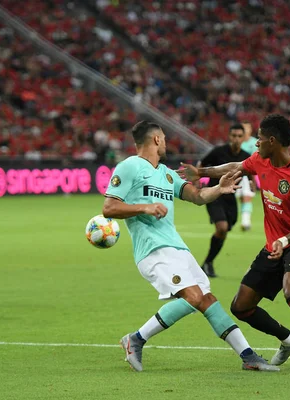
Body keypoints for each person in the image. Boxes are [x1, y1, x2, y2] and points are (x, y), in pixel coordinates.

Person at [102, 121, 278, 372]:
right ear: (155, 140)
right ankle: (136, 339)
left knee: (207, 299)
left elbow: (197, 197)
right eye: (163, 138)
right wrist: (145, 207)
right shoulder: (129, 166)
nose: (165, 142)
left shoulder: (166, 173)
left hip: (177, 248)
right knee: (193, 297)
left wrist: (219, 188)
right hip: (152, 249)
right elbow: (109, 207)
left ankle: (248, 356)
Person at [178, 114, 290, 375]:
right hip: (273, 246)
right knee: (241, 306)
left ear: (272, 140)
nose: (255, 143)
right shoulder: (261, 160)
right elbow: (235, 167)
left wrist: (284, 239)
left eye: (259, 138)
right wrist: (200, 172)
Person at [198, 123, 251, 278]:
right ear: (229, 136)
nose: (236, 139)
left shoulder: (246, 155)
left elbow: (250, 171)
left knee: (224, 231)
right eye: (233, 135)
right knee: (222, 227)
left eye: (239, 136)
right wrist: (197, 180)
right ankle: (208, 263)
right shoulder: (218, 152)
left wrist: (253, 182)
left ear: (243, 138)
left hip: (230, 198)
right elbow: (201, 164)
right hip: (214, 195)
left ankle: (207, 263)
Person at [238, 121, 258, 231]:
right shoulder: (237, 142)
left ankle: (246, 222)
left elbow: (255, 162)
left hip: (247, 174)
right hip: (235, 174)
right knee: (241, 198)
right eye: (243, 128)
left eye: (247, 128)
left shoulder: (254, 143)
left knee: (247, 197)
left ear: (250, 130)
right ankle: (243, 219)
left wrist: (253, 179)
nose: (245, 131)